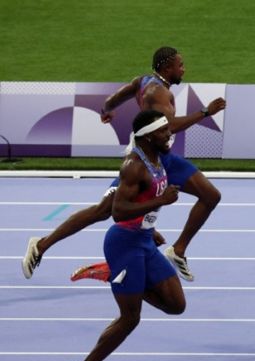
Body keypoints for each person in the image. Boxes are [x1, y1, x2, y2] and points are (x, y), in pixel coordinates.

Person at [22, 46, 226, 282]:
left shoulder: (142, 82)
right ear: (167, 67)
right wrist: (204, 112)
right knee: (104, 211)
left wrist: (106, 110)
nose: (184, 69)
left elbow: (114, 98)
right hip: (144, 159)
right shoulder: (158, 93)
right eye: (180, 65)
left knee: (210, 195)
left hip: (165, 157)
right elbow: (169, 126)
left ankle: (178, 250)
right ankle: (41, 244)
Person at [68, 110, 185, 361]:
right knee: (130, 318)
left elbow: (141, 203)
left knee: (175, 304)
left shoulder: (157, 159)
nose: (169, 134)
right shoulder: (133, 166)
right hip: (124, 244)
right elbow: (118, 212)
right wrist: (161, 201)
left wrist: (151, 226)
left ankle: (113, 274)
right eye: (163, 131)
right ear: (147, 136)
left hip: (143, 239)